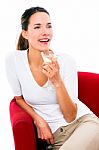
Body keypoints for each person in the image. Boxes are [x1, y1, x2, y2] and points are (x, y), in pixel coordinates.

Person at [5, 6, 99, 150]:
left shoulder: (66, 62)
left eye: (49, 26)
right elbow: (19, 99)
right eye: (37, 27)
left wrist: (57, 81)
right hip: (54, 138)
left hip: (84, 125)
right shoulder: (14, 60)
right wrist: (38, 120)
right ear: (25, 33)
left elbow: (70, 116)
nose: (45, 32)